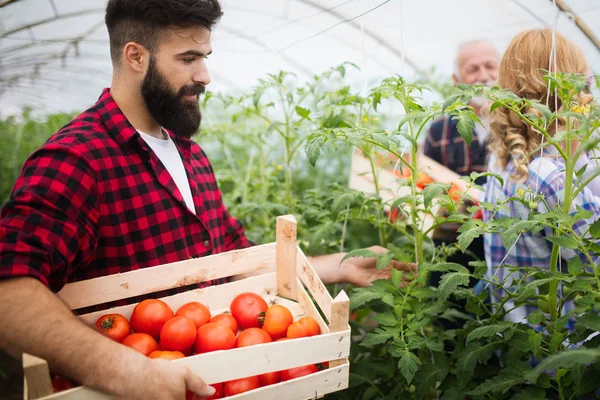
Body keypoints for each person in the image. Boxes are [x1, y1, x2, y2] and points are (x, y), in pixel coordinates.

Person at [0, 1, 414, 399]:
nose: (205, 75)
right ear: (135, 57)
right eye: (187, 58)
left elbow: (232, 257)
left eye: (206, 56)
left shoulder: (189, 154)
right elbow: (10, 294)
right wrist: (126, 369)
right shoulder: (77, 159)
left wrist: (337, 265)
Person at [483, 28, 599, 323]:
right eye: (585, 84)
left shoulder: (503, 164)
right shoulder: (553, 177)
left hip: (519, 338)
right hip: (563, 351)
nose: (590, 97)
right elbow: (594, 265)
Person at [423, 40, 500, 290]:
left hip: (506, 243)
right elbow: (425, 187)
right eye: (473, 69)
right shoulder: (440, 131)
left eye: (490, 66)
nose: (484, 76)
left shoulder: (519, 125)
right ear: (457, 81)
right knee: (448, 310)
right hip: (454, 245)